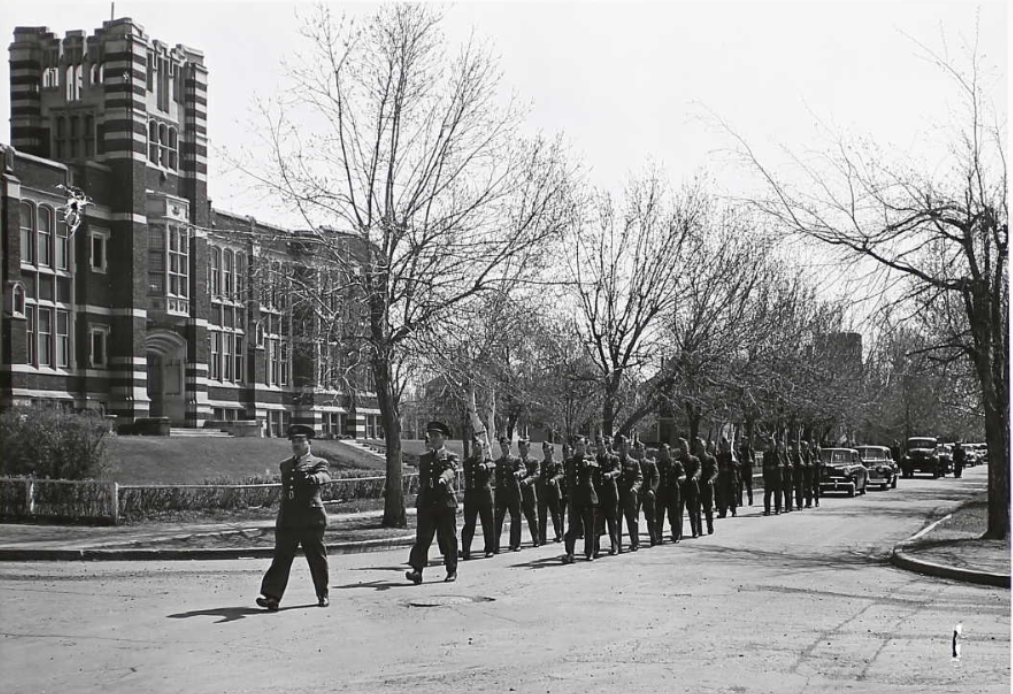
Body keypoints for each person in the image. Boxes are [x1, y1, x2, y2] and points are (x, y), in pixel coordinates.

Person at [257, 424, 331, 611]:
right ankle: (272, 597)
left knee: (316, 558)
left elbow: (325, 476)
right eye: (294, 441)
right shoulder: (286, 465)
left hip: (311, 519)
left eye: (300, 441)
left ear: (309, 443)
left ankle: (322, 593)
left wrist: (314, 479)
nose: (296, 445)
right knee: (281, 559)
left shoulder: (318, 463)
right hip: (288, 519)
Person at [406, 421, 460, 584]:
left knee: (448, 537)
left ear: (444, 438)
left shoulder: (451, 456)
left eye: (436, 435)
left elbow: (452, 469)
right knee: (423, 538)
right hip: (427, 502)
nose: (433, 438)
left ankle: (451, 570)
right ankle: (417, 570)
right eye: (431, 435)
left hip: (445, 502)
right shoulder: (425, 458)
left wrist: (444, 477)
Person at [563, 437, 599, 563]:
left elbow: (596, 464)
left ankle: (589, 552)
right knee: (574, 526)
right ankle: (570, 553)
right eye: (577, 445)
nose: (579, 447)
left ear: (586, 446)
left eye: (581, 445)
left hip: (588, 497)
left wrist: (589, 463)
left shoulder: (590, 458)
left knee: (589, 526)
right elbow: (567, 477)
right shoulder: (570, 461)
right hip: (575, 498)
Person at [461, 434, 496, 560]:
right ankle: (466, 550)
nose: (476, 447)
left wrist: (485, 466)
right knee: (469, 524)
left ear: (483, 447)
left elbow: (493, 465)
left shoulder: (488, 461)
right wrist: (479, 463)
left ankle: (489, 549)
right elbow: (468, 468)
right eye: (474, 445)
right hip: (471, 496)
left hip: (484, 495)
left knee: (488, 523)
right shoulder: (468, 462)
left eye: (478, 445)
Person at [494, 436, 525, 552]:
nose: (504, 448)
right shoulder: (498, 462)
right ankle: (495, 545)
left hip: (513, 493)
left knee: (515, 518)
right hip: (501, 494)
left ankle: (515, 543)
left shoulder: (516, 460)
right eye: (502, 446)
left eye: (506, 445)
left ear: (510, 446)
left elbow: (523, 470)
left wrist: (519, 473)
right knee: (497, 520)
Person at [616, 435, 644, 552]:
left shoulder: (634, 463)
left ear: (629, 448)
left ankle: (634, 542)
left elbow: (639, 478)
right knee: (617, 521)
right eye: (621, 447)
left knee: (632, 520)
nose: (623, 449)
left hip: (629, 495)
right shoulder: (615, 461)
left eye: (625, 446)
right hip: (617, 495)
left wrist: (635, 488)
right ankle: (617, 544)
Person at [595, 434, 622, 555]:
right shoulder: (595, 459)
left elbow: (618, 470)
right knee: (597, 523)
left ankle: (615, 546)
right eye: (598, 445)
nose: (600, 447)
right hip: (598, 496)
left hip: (610, 495)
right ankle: (595, 548)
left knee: (612, 522)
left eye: (602, 445)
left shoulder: (613, 458)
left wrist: (610, 474)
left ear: (607, 445)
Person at [655, 443, 686, 543]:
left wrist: (681, 478)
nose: (664, 453)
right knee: (659, 515)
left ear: (670, 452)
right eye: (662, 451)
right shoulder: (657, 464)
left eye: (666, 451)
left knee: (674, 515)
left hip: (673, 493)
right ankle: (658, 536)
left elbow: (683, 474)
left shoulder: (676, 464)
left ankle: (676, 535)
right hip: (660, 493)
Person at [537, 441, 565, 544]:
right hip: (543, 494)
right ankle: (542, 538)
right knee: (542, 516)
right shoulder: (541, 465)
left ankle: (559, 534)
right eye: (545, 451)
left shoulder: (557, 464)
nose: (547, 454)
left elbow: (561, 474)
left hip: (554, 493)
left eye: (548, 451)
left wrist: (554, 479)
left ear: (552, 452)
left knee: (556, 515)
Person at [517, 438, 541, 547]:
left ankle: (536, 539)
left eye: (525, 448)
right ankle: (516, 542)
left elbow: (536, 474)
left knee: (531, 516)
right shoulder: (516, 461)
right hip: (517, 493)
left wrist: (527, 481)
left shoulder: (534, 461)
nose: (523, 450)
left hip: (529, 492)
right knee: (516, 517)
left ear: (529, 448)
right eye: (521, 448)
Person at [636, 442, 661, 546]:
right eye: (638, 450)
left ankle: (653, 537)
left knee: (651, 517)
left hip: (647, 492)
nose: (640, 452)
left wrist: (652, 489)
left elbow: (656, 477)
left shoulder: (650, 464)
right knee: (634, 518)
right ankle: (635, 541)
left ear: (645, 451)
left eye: (642, 450)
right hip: (636, 493)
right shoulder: (634, 463)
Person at [678, 438, 702, 538]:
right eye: (682, 447)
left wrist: (695, 476)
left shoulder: (694, 459)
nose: (685, 448)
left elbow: (699, 469)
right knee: (679, 511)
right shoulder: (678, 461)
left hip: (692, 488)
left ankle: (695, 531)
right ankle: (678, 532)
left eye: (686, 446)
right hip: (681, 489)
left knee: (693, 511)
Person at [695, 437, 718, 535]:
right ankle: (698, 530)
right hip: (697, 487)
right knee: (697, 510)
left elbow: (715, 471)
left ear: (705, 447)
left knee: (708, 509)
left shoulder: (711, 458)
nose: (700, 448)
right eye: (698, 446)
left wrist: (712, 479)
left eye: (702, 446)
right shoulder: (695, 458)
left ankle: (710, 526)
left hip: (707, 486)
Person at [716, 437, 739, 519]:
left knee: (732, 496)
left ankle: (734, 511)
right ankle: (722, 512)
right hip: (722, 478)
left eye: (726, 445)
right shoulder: (719, 456)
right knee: (722, 496)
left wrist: (734, 463)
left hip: (731, 478)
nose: (725, 447)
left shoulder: (732, 455)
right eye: (723, 446)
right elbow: (716, 467)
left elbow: (737, 466)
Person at [762, 436, 783, 516]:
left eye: (772, 443)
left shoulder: (779, 453)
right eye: (770, 443)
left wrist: (775, 467)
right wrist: (765, 475)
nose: (771, 445)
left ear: (775, 444)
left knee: (777, 494)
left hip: (777, 476)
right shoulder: (766, 454)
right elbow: (764, 466)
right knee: (767, 495)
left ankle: (778, 509)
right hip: (769, 477)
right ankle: (767, 510)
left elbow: (781, 464)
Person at [738, 439, 754, 507]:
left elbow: (753, 460)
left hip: (748, 470)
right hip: (741, 469)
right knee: (740, 487)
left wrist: (749, 462)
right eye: (743, 441)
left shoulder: (750, 450)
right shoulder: (740, 449)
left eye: (745, 441)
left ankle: (750, 499)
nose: (744, 442)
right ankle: (740, 501)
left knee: (749, 486)